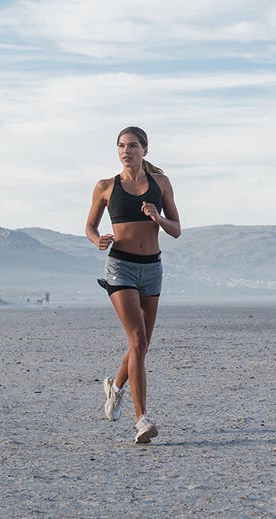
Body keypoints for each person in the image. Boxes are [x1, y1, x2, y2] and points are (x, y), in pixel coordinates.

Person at [85, 126, 181, 444]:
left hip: (152, 269)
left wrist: (158, 218)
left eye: (133, 146)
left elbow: (177, 229)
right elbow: (90, 226)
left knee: (141, 346)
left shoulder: (161, 184)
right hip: (121, 267)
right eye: (122, 146)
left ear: (145, 150)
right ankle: (142, 420)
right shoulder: (106, 186)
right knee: (138, 341)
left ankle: (115, 388)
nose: (127, 151)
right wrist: (99, 240)